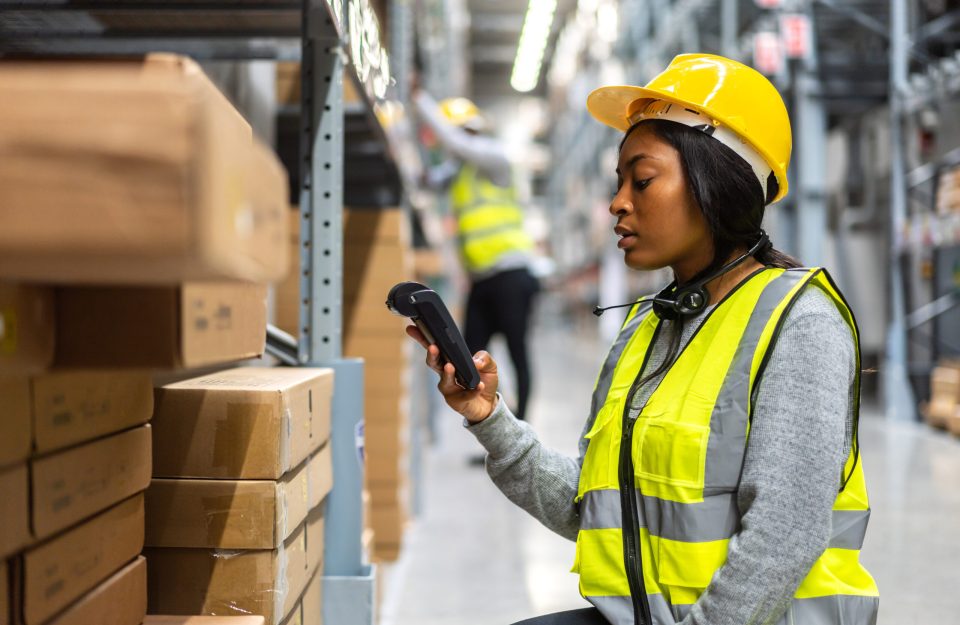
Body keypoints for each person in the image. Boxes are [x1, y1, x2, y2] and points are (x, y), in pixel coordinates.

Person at [406, 54, 879, 625]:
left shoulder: (798, 323)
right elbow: (590, 508)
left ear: (718, 182)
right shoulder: (645, 329)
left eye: (643, 179)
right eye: (619, 181)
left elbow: (782, 540)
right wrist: (490, 418)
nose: (617, 202)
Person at [413, 90, 540, 422]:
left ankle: (521, 426)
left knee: (517, 354)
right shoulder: (460, 174)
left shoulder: (494, 158)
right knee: (466, 357)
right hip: (482, 280)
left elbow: (456, 145)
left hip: (512, 273)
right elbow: (426, 180)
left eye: (459, 134)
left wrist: (419, 99)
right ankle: (491, 424)